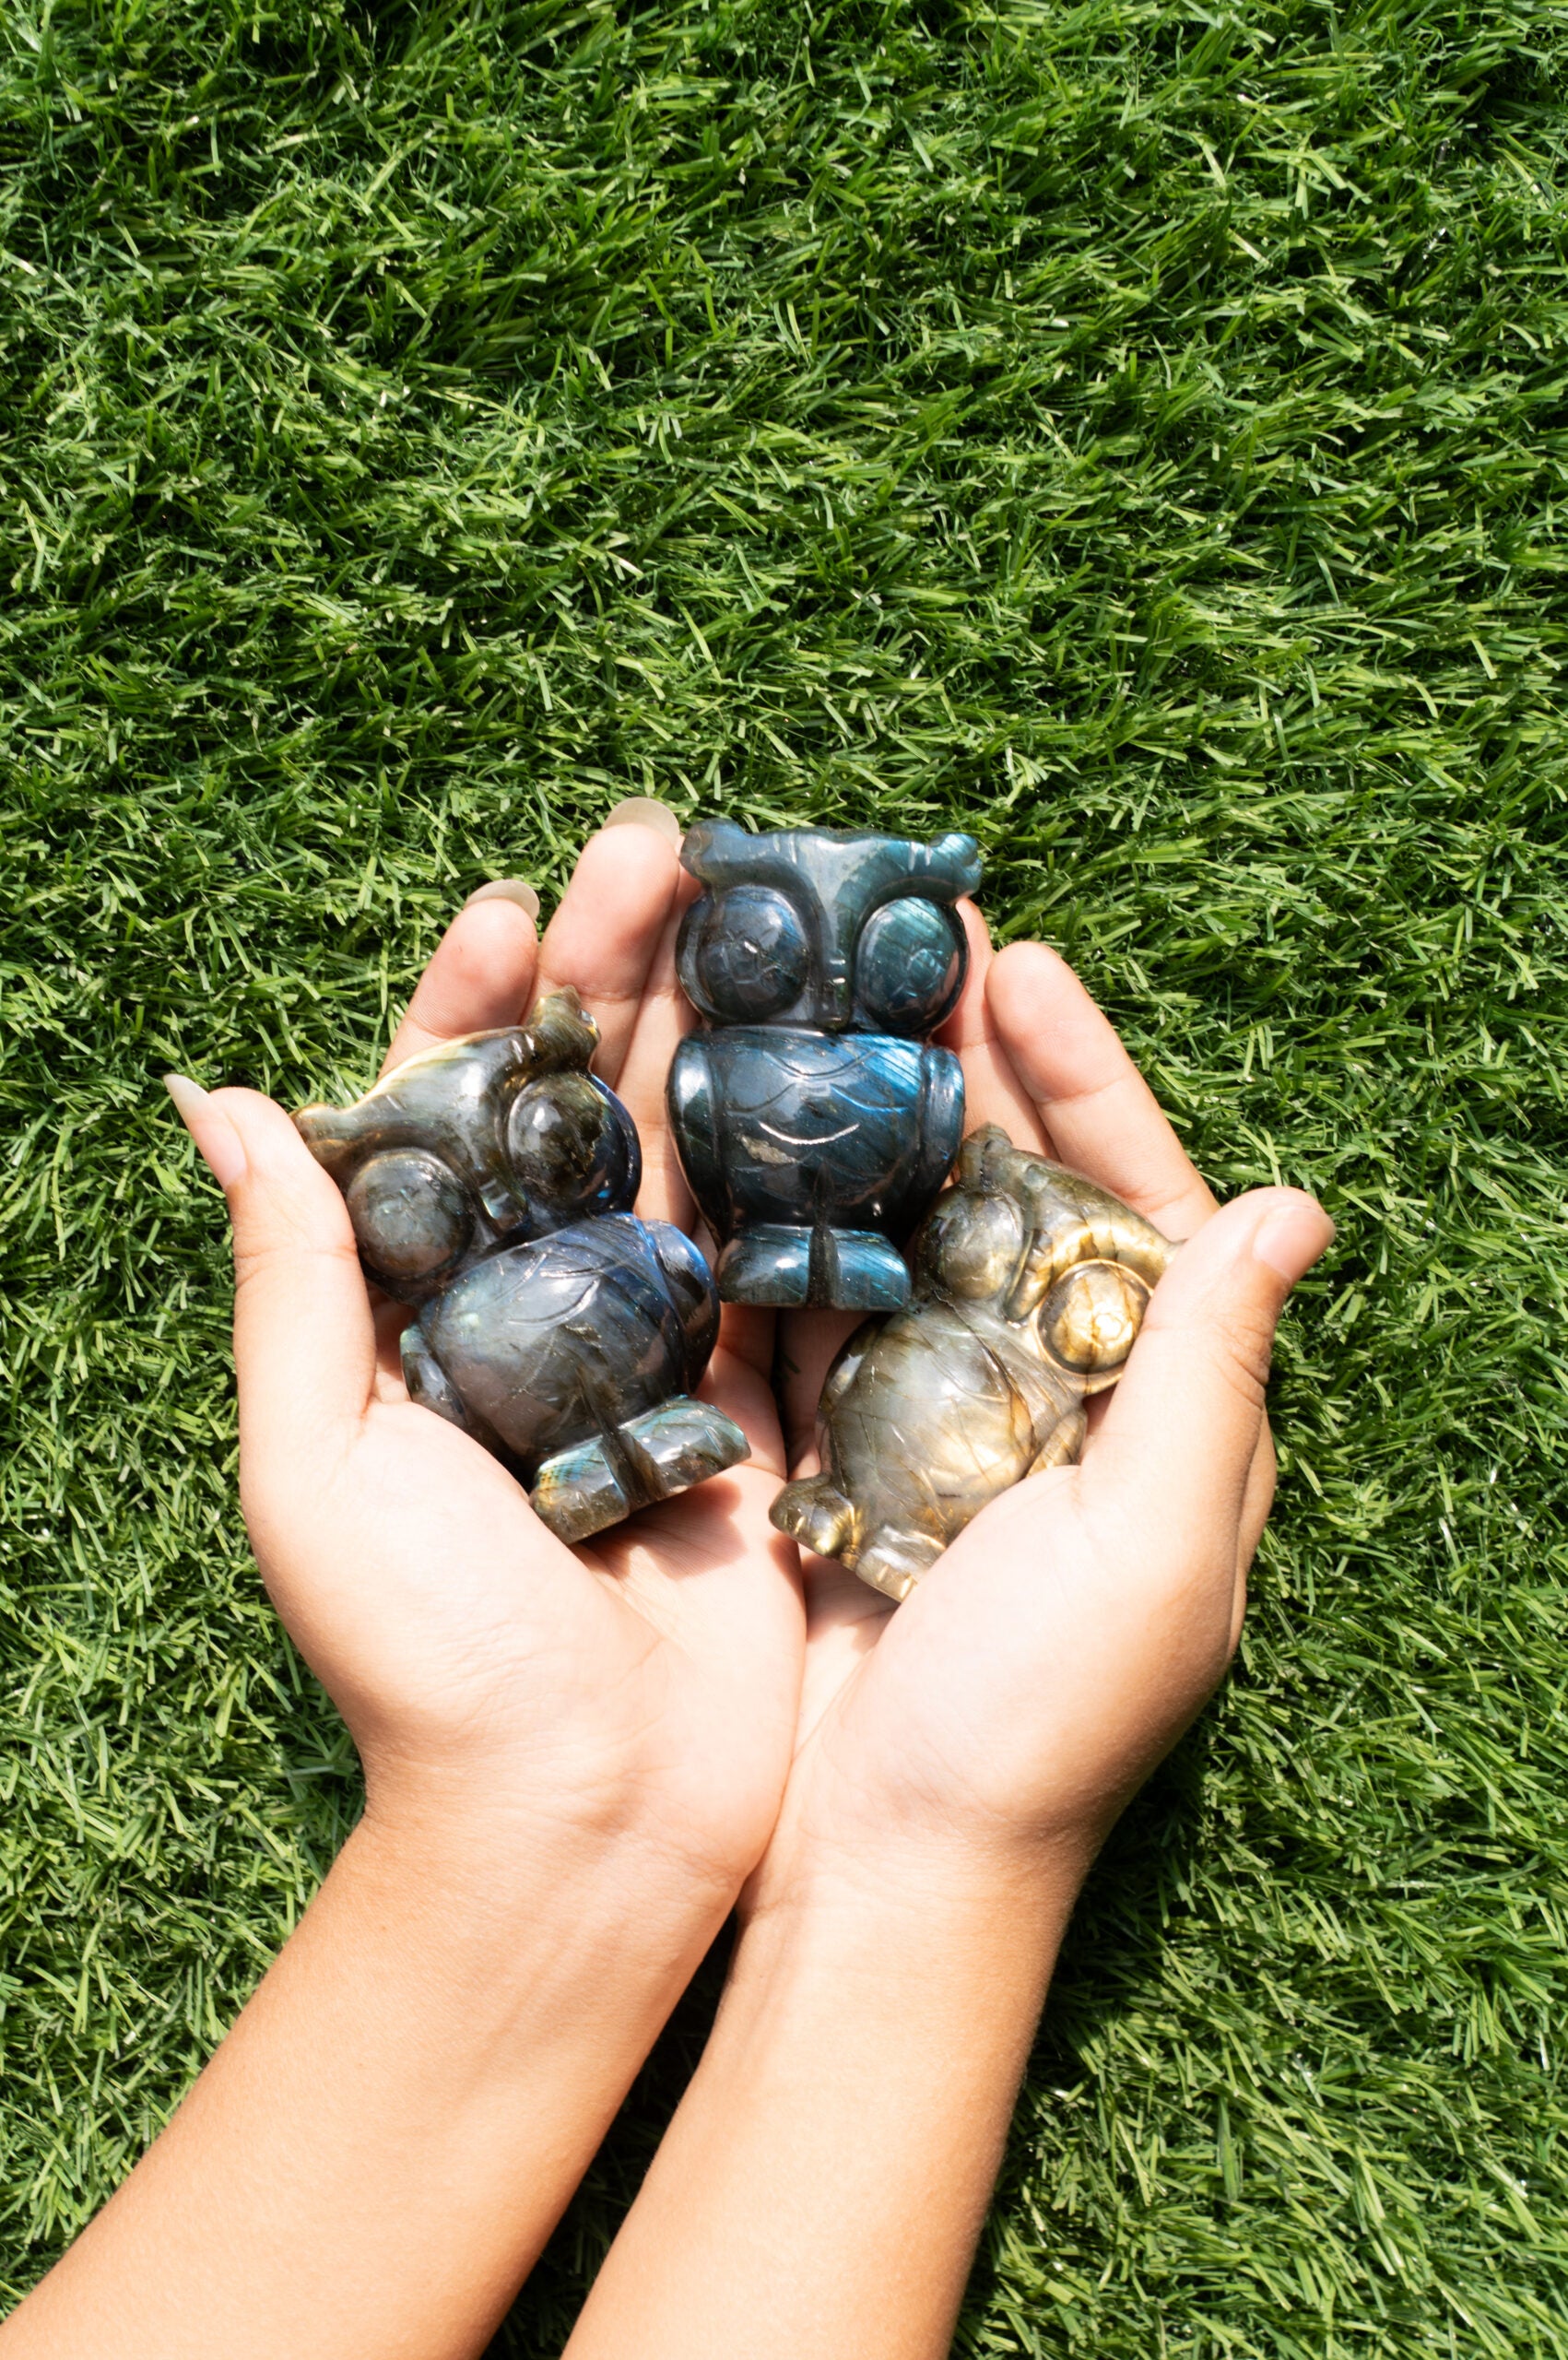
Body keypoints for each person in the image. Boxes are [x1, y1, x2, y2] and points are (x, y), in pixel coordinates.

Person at [0, 806, 1331, 2360]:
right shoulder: (662, 1111)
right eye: (423, 1196)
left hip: (751, 1372)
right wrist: (912, 1873)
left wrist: (643, 1841)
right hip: (640, 1411)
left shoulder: (909, 1099)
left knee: (697, 1278)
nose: (496, 1199)